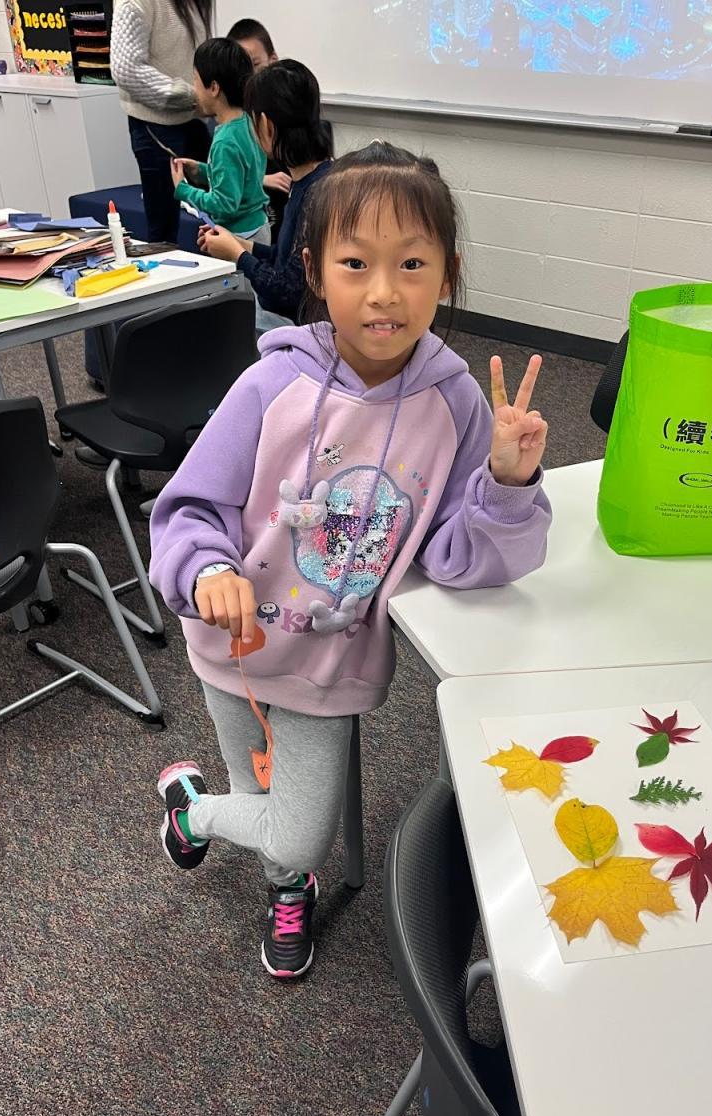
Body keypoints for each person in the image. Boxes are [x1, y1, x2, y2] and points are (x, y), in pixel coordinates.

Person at [148, 143, 551, 981]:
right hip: (233, 649)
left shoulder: (455, 402)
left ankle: (192, 816)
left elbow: (456, 556)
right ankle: (282, 885)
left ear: (447, 275)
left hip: (330, 662)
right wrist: (207, 571)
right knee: (259, 798)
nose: (383, 292)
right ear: (314, 272)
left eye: (412, 264)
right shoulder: (270, 387)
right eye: (356, 263)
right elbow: (189, 510)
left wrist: (508, 485)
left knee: (298, 828)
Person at [197, 59, 332, 329]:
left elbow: (286, 292)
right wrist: (239, 245)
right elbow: (287, 259)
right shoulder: (314, 180)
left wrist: (238, 255)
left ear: (266, 126)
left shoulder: (315, 194)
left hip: (314, 336)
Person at [111, 0, 213, 243]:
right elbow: (126, 69)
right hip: (157, 126)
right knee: (165, 231)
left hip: (194, 119)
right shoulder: (137, 3)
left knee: (218, 215)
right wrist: (192, 97)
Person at [170, 37, 269, 241]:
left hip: (240, 236)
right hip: (258, 227)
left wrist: (184, 190)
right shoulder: (247, 122)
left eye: (195, 80)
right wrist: (202, 171)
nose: (194, 88)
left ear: (214, 88)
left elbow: (225, 204)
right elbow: (239, 177)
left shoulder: (225, 141)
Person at [225, 18, 290, 238]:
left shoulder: (288, 108)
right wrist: (260, 179)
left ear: (273, 60)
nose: (247, 76)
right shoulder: (231, 119)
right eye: (240, 67)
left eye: (254, 64)